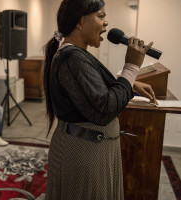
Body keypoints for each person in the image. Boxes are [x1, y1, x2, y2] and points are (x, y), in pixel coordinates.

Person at [43, 0, 157, 199]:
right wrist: (131, 68)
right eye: (101, 16)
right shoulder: (72, 57)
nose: (106, 23)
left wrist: (129, 82)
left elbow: (90, 89)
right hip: (83, 151)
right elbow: (104, 110)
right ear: (80, 21)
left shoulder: (77, 54)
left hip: (93, 148)